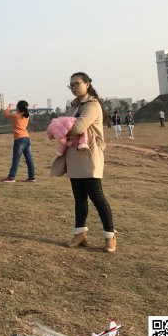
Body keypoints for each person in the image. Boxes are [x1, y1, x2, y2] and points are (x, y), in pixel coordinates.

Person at [51, 72, 117, 253]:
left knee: (97, 197)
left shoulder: (92, 105)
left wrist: (62, 127)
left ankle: (110, 235)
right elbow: (63, 126)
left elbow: (77, 127)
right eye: (70, 84)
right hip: (73, 156)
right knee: (79, 198)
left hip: (88, 156)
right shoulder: (73, 105)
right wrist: (63, 127)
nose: (73, 87)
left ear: (87, 84)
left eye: (76, 83)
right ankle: (79, 233)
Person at [0, 100, 35, 183]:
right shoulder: (27, 115)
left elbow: (5, 114)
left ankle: (11, 177)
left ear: (19, 108)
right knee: (29, 159)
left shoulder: (16, 116)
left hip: (19, 139)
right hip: (27, 138)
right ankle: (32, 177)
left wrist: (9, 106)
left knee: (16, 158)